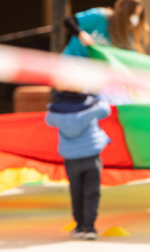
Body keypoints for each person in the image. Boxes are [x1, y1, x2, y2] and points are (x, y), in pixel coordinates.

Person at [45, 91, 112, 240]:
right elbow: (106, 110)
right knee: (91, 192)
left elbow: (48, 121)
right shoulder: (93, 107)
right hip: (91, 156)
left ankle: (79, 226)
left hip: (71, 158)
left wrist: (55, 105)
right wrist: (95, 96)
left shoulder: (56, 112)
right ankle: (90, 228)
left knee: (76, 192)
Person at [63, 0, 150, 57]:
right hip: (71, 62)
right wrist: (80, 34)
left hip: (92, 74)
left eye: (138, 15)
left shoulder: (127, 37)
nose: (135, 18)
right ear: (122, 10)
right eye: (132, 14)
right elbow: (69, 20)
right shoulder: (100, 16)